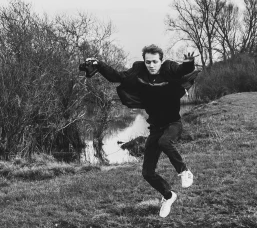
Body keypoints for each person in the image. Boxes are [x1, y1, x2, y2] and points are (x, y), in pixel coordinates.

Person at [82, 45, 197, 218]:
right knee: (147, 173)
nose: (151, 65)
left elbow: (183, 70)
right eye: (148, 61)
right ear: (144, 61)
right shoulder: (139, 73)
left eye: (155, 61)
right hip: (155, 128)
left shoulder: (168, 69)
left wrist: (189, 62)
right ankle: (168, 195)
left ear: (160, 60)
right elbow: (117, 76)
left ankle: (184, 171)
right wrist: (99, 64)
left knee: (164, 142)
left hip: (173, 123)